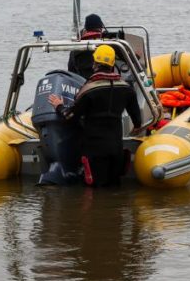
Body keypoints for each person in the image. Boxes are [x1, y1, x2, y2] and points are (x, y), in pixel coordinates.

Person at [49, 44, 142, 187]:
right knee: (114, 186)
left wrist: (59, 106)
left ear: (95, 64)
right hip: (116, 148)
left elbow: (69, 116)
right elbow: (137, 121)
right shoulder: (126, 89)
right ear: (112, 65)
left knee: (96, 189)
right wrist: (136, 128)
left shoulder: (88, 90)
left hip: (94, 150)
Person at [68, 13, 106, 79]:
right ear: (100, 28)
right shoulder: (107, 45)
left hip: (81, 83)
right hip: (102, 82)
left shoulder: (75, 49)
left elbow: (70, 70)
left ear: (86, 29)